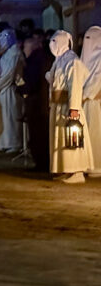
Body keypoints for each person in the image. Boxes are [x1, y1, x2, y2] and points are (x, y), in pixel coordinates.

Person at [46, 30, 94, 183]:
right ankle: (64, 169)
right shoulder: (59, 60)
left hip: (68, 106)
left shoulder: (73, 61)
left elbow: (75, 86)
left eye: (55, 42)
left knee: (71, 139)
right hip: (58, 105)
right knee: (60, 139)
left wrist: (73, 109)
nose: (52, 45)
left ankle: (76, 172)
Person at [18, 30, 51, 172]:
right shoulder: (41, 59)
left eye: (25, 48)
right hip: (41, 103)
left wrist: (20, 85)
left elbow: (29, 83)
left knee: (37, 135)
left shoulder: (34, 62)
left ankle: (41, 163)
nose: (23, 50)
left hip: (36, 104)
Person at [0, 29, 24, 153]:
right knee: (4, 118)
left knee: (11, 116)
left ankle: (14, 143)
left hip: (9, 88)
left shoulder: (14, 53)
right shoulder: (5, 53)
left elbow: (9, 74)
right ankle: (4, 142)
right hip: (1, 90)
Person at [79, 26, 101, 178]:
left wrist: (85, 94)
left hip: (94, 102)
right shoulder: (85, 56)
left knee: (94, 133)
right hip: (82, 101)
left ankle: (96, 165)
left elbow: (96, 80)